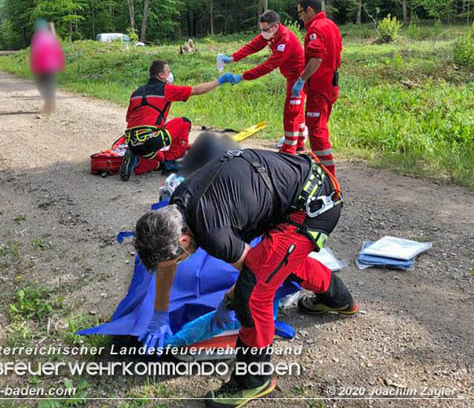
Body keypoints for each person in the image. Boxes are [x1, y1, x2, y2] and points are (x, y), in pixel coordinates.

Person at [134, 149, 357, 407]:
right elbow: (168, 262)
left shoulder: (212, 232)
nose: (178, 263)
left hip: (313, 208)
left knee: (251, 296)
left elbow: (253, 274)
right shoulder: (178, 205)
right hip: (301, 184)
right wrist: (159, 313)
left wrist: (228, 302)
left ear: (184, 240)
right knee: (277, 262)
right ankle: (337, 299)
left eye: (178, 259)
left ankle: (253, 380)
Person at [120, 60, 235, 181]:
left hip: (132, 141)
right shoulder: (166, 89)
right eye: (168, 71)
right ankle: (171, 161)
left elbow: (128, 118)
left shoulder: (135, 93)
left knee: (154, 161)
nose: (170, 74)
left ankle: (135, 156)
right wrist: (220, 81)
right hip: (150, 140)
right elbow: (196, 90)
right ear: (161, 75)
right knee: (184, 122)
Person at [219, 10, 307, 154]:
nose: (263, 33)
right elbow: (253, 46)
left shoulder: (285, 40)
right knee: (297, 111)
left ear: (276, 26)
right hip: (291, 76)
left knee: (291, 112)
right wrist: (233, 58)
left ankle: (289, 150)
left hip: (298, 78)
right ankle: (299, 143)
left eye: (265, 29)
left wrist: (242, 76)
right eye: (261, 29)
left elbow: (268, 66)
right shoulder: (271, 34)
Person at [292, 0, 343, 176]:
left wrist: (302, 79)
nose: (300, 17)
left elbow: (317, 58)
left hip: (319, 88)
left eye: (301, 13)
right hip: (330, 85)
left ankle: (327, 175)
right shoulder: (331, 26)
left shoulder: (316, 29)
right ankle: (321, 169)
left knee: (316, 131)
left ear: (310, 10)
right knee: (319, 126)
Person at [29, 19, 65, 114]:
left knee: (41, 83)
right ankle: (50, 100)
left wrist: (33, 66)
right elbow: (58, 50)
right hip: (52, 65)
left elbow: (35, 53)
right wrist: (61, 63)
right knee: (50, 83)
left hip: (41, 65)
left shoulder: (37, 37)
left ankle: (48, 100)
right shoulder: (51, 37)